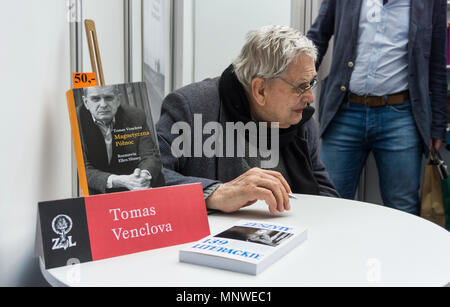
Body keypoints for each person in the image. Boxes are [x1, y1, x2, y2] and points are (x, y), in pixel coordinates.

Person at [156, 25, 338, 214]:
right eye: (301, 86)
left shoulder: (300, 119)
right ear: (260, 89)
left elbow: (324, 193)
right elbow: (146, 176)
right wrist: (214, 193)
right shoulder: (191, 108)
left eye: (311, 83)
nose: (310, 97)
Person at [306, 0, 447, 215]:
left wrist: (437, 124)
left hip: (401, 117)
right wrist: (296, 87)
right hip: (344, 113)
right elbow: (316, 38)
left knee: (402, 207)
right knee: (328, 200)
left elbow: (436, 61)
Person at [78, 85, 165, 195]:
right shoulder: (76, 120)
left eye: (109, 98)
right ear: (86, 102)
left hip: (135, 185)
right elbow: (82, 169)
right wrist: (119, 181)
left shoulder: (136, 116)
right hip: (99, 188)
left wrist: (143, 175)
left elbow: (150, 155)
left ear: (118, 100)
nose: (103, 105)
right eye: (95, 99)